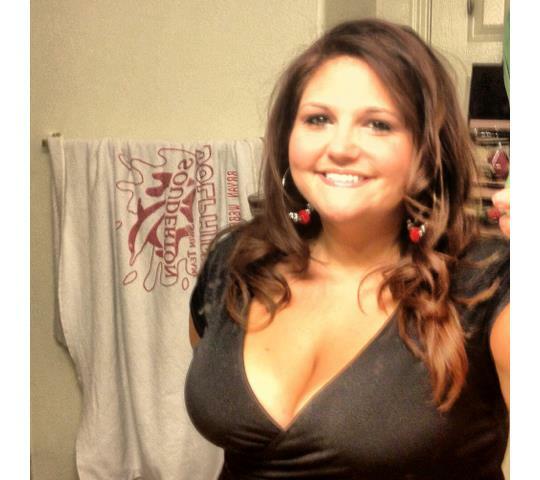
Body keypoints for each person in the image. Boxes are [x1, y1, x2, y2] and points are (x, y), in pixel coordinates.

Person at [185, 19, 510, 480]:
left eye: (378, 124)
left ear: (426, 150)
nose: (339, 147)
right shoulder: (238, 260)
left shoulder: (488, 282)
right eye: (317, 119)